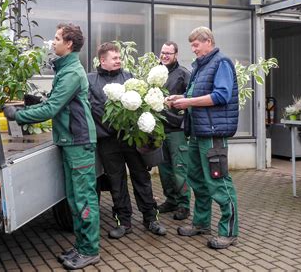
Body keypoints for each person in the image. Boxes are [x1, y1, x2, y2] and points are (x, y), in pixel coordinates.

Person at [3, 23, 100, 269]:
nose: (53, 41)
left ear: (69, 44)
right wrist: (29, 106)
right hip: (70, 141)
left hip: (79, 142)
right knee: (74, 197)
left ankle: (89, 250)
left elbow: (52, 109)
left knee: (84, 198)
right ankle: (81, 245)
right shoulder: (65, 70)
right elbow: (53, 103)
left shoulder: (71, 73)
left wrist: (17, 115)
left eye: (57, 38)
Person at [167, 26, 239, 249]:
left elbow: (221, 95)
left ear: (208, 41)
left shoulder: (221, 63)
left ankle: (228, 232)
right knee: (197, 179)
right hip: (198, 132)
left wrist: (187, 102)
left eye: (196, 45)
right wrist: (181, 97)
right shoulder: (201, 67)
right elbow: (196, 95)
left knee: (219, 182)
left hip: (214, 133)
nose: (194, 49)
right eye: (192, 46)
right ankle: (201, 223)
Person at [88, 42, 167, 239]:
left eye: (119, 57)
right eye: (114, 58)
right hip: (107, 142)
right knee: (116, 182)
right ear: (103, 60)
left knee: (142, 178)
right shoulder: (91, 81)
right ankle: (123, 222)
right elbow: (94, 110)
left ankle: (151, 219)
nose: (118, 61)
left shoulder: (129, 77)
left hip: (131, 139)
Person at [157, 41, 191, 220]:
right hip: (160, 129)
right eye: (163, 52)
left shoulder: (183, 74)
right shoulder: (156, 73)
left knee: (179, 169)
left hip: (177, 129)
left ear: (176, 55)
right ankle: (171, 200)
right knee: (164, 169)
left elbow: (192, 97)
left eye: (168, 53)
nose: (164, 56)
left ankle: (184, 205)